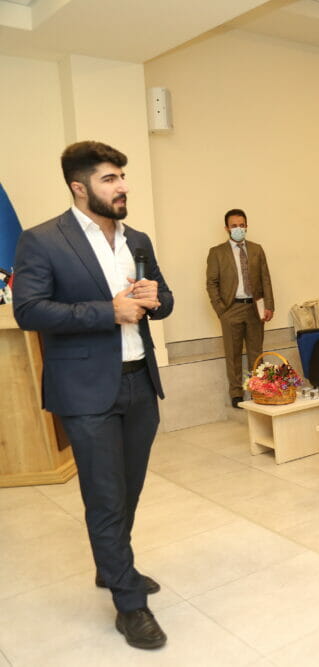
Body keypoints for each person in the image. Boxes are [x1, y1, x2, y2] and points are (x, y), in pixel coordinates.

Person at [13, 141, 174, 649]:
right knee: (104, 496)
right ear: (79, 187)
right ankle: (129, 603)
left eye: (122, 176)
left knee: (129, 488)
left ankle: (112, 565)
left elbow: (164, 298)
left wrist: (155, 300)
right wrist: (109, 311)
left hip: (140, 381)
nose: (123, 186)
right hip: (85, 390)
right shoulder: (43, 240)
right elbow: (29, 310)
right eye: (110, 179)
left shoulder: (137, 240)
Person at [206, 208, 275, 407]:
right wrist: (221, 310)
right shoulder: (217, 252)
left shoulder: (256, 249)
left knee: (256, 353)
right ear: (227, 228)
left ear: (247, 226)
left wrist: (269, 305)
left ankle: (258, 390)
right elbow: (211, 283)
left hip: (254, 308)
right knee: (233, 353)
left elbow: (266, 279)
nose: (238, 229)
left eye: (242, 225)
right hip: (231, 309)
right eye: (234, 226)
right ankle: (236, 393)